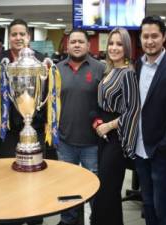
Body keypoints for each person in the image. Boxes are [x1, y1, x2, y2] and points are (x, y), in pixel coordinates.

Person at [134, 16, 166, 225]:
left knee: (161, 204)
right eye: (145, 36)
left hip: (162, 151)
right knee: (147, 203)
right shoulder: (137, 65)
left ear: (164, 37)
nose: (150, 41)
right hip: (139, 148)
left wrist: (165, 146)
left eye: (154, 36)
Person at [0, 18, 45, 225]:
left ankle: (35, 218)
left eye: (22, 34)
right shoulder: (1, 61)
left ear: (28, 37)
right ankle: (11, 218)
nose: (18, 38)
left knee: (35, 179)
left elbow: (47, 95)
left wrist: (36, 118)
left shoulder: (41, 60)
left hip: (35, 129)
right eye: (14, 34)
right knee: (9, 179)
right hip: (9, 130)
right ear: (10, 37)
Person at [90, 28, 140, 225]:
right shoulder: (109, 70)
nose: (114, 48)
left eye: (119, 44)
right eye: (111, 43)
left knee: (107, 191)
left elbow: (133, 110)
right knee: (106, 192)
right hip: (103, 136)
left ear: (126, 47)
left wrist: (108, 126)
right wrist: (98, 123)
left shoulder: (128, 73)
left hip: (116, 138)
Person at [56, 29, 105, 225]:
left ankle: (97, 219)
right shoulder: (56, 69)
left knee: (94, 187)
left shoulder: (100, 68)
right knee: (67, 185)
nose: (76, 45)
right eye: (73, 42)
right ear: (67, 46)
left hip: (92, 142)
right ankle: (68, 220)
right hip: (65, 141)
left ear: (88, 45)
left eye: (80, 42)